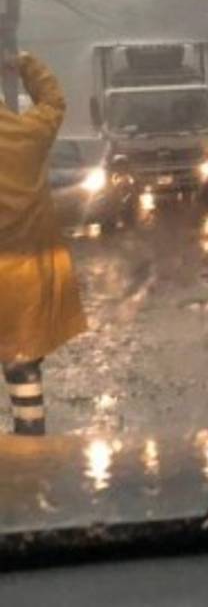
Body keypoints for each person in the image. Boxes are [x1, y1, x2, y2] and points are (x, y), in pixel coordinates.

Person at [0, 53, 86, 435]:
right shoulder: (27, 135)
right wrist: (23, 63)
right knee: (23, 363)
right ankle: (31, 439)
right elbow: (54, 101)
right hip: (24, 278)